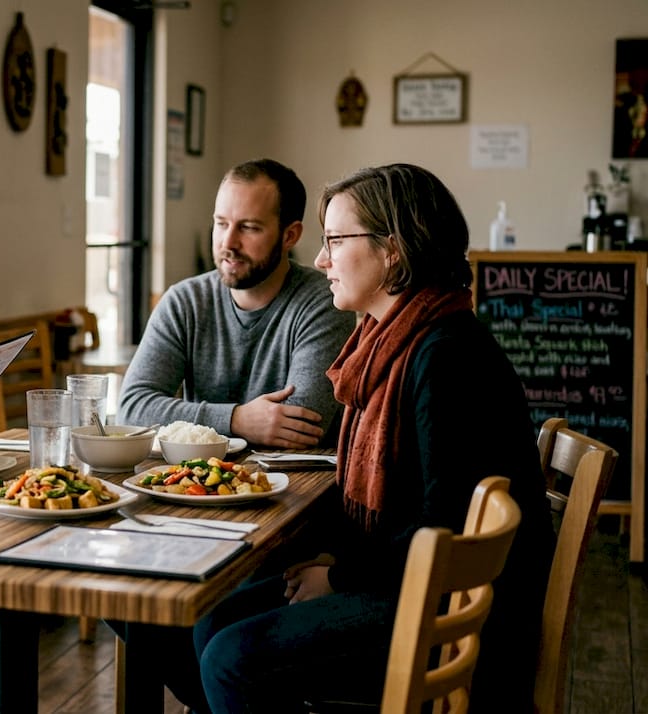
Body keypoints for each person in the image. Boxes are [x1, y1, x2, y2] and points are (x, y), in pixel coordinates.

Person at [192, 163, 555, 713]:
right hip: (411, 577)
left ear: (394, 250)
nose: (319, 259)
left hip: (452, 610)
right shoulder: (392, 340)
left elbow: (444, 527)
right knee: (215, 618)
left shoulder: (445, 354)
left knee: (230, 657)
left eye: (335, 240)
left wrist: (338, 575)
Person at [118, 158, 355, 448]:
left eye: (249, 228)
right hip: (194, 484)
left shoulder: (324, 302)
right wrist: (236, 419)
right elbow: (131, 410)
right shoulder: (184, 302)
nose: (228, 243)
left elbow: (303, 425)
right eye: (221, 224)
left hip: (301, 486)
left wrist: (196, 421)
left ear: (289, 235)